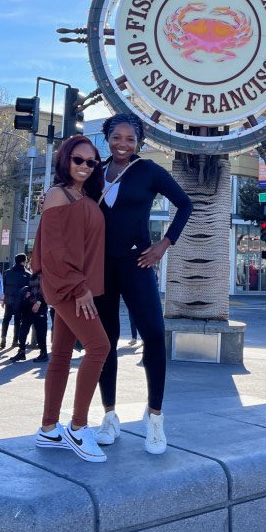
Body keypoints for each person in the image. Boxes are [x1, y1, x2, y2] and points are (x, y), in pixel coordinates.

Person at [94, 113, 193, 455]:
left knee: (153, 333)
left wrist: (164, 244)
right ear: (106, 138)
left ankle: (155, 418)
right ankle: (109, 416)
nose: (123, 144)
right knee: (104, 342)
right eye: (116, 137)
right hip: (100, 268)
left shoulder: (148, 171)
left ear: (140, 143)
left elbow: (185, 204)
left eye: (130, 139)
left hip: (138, 262)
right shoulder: (95, 171)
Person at [31, 135, 110, 463]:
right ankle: (78, 427)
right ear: (66, 160)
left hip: (78, 286)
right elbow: (54, 248)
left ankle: (49, 428)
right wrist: (78, 287)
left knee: (62, 354)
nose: (85, 166)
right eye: (79, 160)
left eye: (92, 162)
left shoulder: (83, 195)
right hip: (68, 287)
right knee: (99, 347)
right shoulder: (57, 194)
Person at [16, 272, 50, 362]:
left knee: (41, 333)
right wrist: (27, 293)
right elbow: (31, 288)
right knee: (23, 330)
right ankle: (21, 351)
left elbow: (48, 291)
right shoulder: (32, 275)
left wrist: (39, 302)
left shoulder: (44, 275)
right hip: (28, 307)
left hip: (40, 308)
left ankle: (43, 353)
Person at [0, 253, 30, 350]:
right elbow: (28, 289)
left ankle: (3, 337)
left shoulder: (7, 272)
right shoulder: (27, 274)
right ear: (23, 261)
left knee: (6, 319)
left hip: (9, 299)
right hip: (20, 301)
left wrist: (3, 299)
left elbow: (3, 286)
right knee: (18, 321)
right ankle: (15, 340)